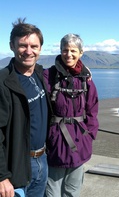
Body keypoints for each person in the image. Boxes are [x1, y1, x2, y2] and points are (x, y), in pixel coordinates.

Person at [0, 18, 51, 197]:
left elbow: (67, 68)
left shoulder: (40, 74)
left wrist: (84, 71)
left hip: (42, 160)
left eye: (34, 46)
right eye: (23, 45)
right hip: (16, 167)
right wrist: (2, 177)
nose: (29, 51)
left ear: (40, 49)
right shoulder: (4, 82)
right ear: (12, 46)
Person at [43, 33, 99, 197]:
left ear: (81, 53)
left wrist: (89, 135)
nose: (69, 54)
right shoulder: (48, 76)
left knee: (72, 191)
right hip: (55, 142)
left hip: (79, 142)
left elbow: (92, 111)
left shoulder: (86, 80)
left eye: (73, 50)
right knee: (51, 191)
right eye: (65, 50)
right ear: (60, 51)